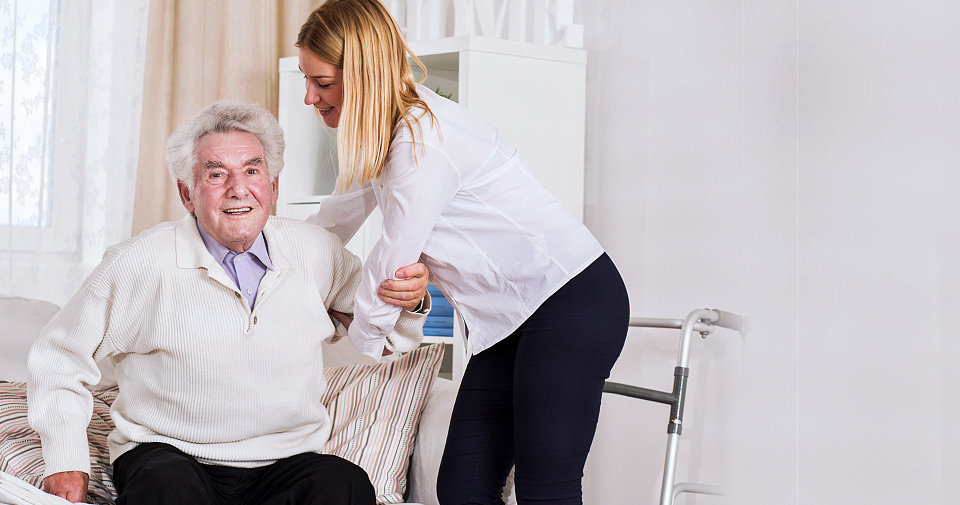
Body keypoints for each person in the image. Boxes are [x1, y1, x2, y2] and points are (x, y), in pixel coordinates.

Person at [295, 1, 631, 504]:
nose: (309, 97)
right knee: (464, 487)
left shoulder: (421, 140)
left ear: (364, 75)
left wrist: (350, 353)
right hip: (507, 321)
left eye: (322, 82)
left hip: (569, 301)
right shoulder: (381, 136)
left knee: (547, 489)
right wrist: (265, 269)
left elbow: (392, 263)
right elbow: (330, 225)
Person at [26, 101, 431, 505]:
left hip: (285, 460)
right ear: (187, 193)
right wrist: (65, 461)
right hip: (171, 454)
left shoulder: (316, 252)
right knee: (165, 488)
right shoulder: (139, 261)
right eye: (216, 174)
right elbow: (58, 357)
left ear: (273, 187)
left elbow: (388, 336)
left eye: (252, 171)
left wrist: (409, 301)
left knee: (344, 482)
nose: (238, 189)